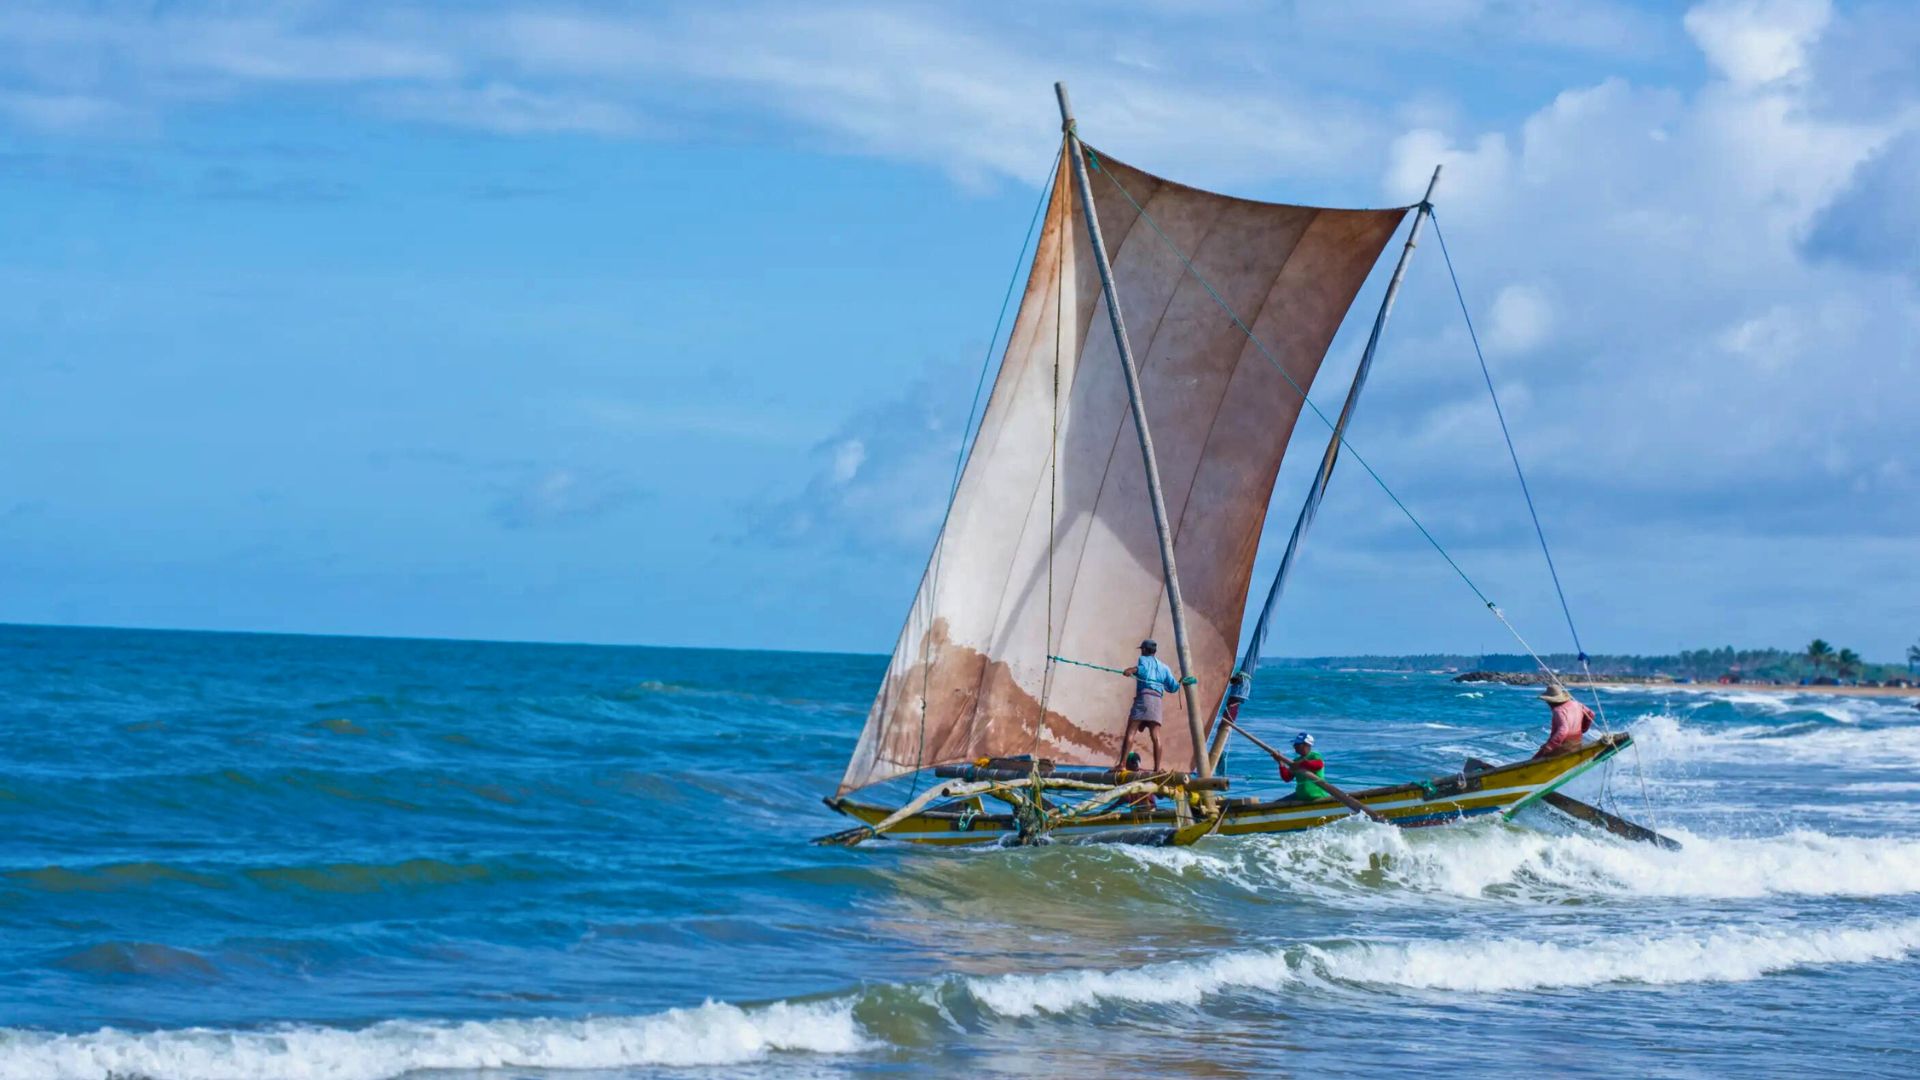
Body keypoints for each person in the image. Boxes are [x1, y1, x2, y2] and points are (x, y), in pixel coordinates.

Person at [1118, 639, 1179, 771]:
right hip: (1157, 701)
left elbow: (1143, 670)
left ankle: (1122, 765)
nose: (1141, 651)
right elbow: (1174, 688)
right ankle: (1157, 769)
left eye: (1142, 649)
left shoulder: (1143, 660)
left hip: (1144, 698)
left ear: (1145, 650)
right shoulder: (1165, 667)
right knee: (1156, 736)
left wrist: (1131, 670)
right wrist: (1179, 682)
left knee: (1131, 731)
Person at [1532, 683, 1594, 757]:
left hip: (1564, 748)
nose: (1547, 703)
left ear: (1551, 701)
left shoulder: (1558, 710)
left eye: (1547, 701)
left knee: (1537, 757)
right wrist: (1583, 729)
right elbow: (1591, 714)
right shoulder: (1577, 704)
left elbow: (1563, 730)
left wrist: (1548, 747)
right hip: (1577, 744)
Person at [1276, 732, 1330, 801]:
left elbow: (1318, 765)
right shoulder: (1296, 760)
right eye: (1295, 744)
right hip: (1301, 795)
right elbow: (1287, 778)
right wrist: (1281, 763)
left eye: (1298, 744)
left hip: (1317, 795)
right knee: (1278, 802)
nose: (1295, 746)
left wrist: (1300, 764)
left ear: (1307, 745)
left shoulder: (1314, 755)